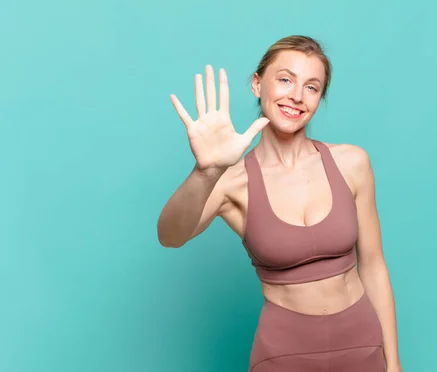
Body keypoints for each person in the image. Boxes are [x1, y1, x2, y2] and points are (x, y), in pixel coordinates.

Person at [157, 35, 403, 372]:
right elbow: (170, 236)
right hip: (284, 354)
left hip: (362, 346)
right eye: (285, 79)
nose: (297, 96)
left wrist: (394, 363)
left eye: (312, 87)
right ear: (258, 85)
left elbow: (373, 267)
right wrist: (205, 171)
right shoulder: (233, 181)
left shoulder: (352, 163)